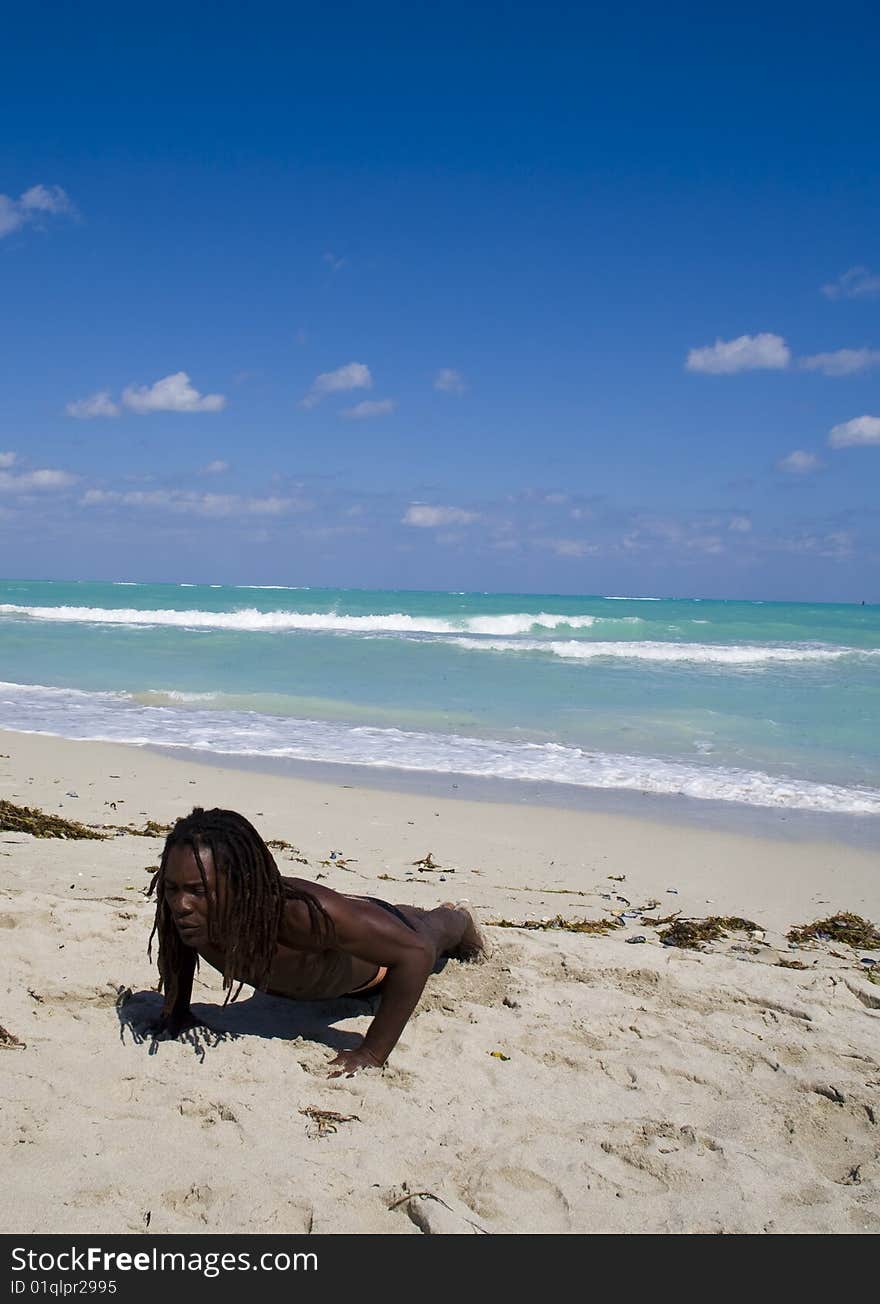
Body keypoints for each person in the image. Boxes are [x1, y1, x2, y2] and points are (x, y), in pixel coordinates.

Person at [147, 807, 484, 1075]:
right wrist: (176, 1011)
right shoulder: (184, 910)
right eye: (174, 888)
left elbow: (416, 954)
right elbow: (178, 951)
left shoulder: (298, 915)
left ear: (237, 883)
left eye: (197, 891)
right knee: (382, 918)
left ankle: (461, 918)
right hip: (329, 950)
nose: (181, 904)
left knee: (428, 932)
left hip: (370, 975)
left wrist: (371, 1052)